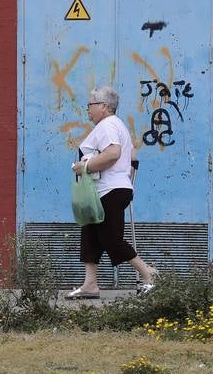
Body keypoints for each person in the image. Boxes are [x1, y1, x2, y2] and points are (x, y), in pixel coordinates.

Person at [66, 85, 157, 299]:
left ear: (104, 106)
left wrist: (84, 166)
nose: (87, 108)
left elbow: (113, 154)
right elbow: (131, 155)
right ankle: (90, 285)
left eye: (91, 104)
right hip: (101, 191)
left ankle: (149, 274)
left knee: (110, 238)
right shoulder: (115, 125)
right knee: (90, 235)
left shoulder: (107, 125)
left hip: (110, 190)